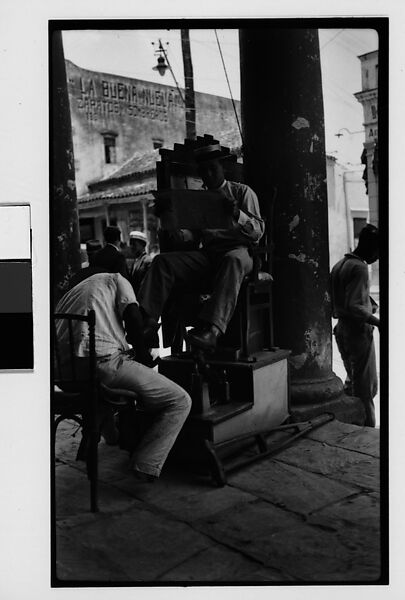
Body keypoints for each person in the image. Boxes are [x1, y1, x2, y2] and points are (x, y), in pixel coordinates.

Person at [55, 271, 191, 480]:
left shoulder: (73, 293)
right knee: (180, 400)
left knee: (104, 385)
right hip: (101, 365)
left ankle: (112, 437)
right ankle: (146, 463)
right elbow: (133, 317)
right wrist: (144, 356)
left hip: (65, 374)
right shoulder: (116, 279)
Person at [138, 142, 265, 350]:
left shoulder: (242, 192)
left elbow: (258, 233)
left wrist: (236, 214)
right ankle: (148, 324)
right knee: (163, 262)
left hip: (242, 253)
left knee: (232, 260)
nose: (208, 173)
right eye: (203, 170)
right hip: (209, 254)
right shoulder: (199, 198)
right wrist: (167, 219)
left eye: (212, 168)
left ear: (222, 168)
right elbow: (189, 238)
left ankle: (212, 331)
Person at [330, 224, 380, 427]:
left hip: (342, 330)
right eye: (378, 250)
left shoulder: (341, 264)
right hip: (357, 332)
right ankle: (367, 431)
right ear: (370, 246)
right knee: (366, 390)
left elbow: (344, 299)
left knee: (353, 384)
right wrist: (379, 323)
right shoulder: (360, 268)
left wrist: (370, 304)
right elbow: (355, 306)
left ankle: (351, 425)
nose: (378, 256)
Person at [128, 230, 153, 295]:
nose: (131, 247)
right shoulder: (136, 261)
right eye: (130, 244)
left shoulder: (147, 260)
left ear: (143, 245)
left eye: (134, 244)